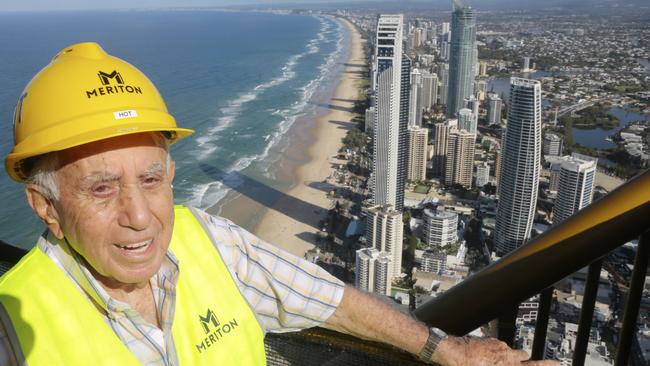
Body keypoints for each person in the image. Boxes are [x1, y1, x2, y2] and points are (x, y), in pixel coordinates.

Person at [0, 42, 556, 365]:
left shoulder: (211, 242)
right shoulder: (13, 324)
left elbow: (334, 301)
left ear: (170, 175)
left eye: (151, 180)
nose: (140, 216)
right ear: (45, 206)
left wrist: (445, 349)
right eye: (101, 188)